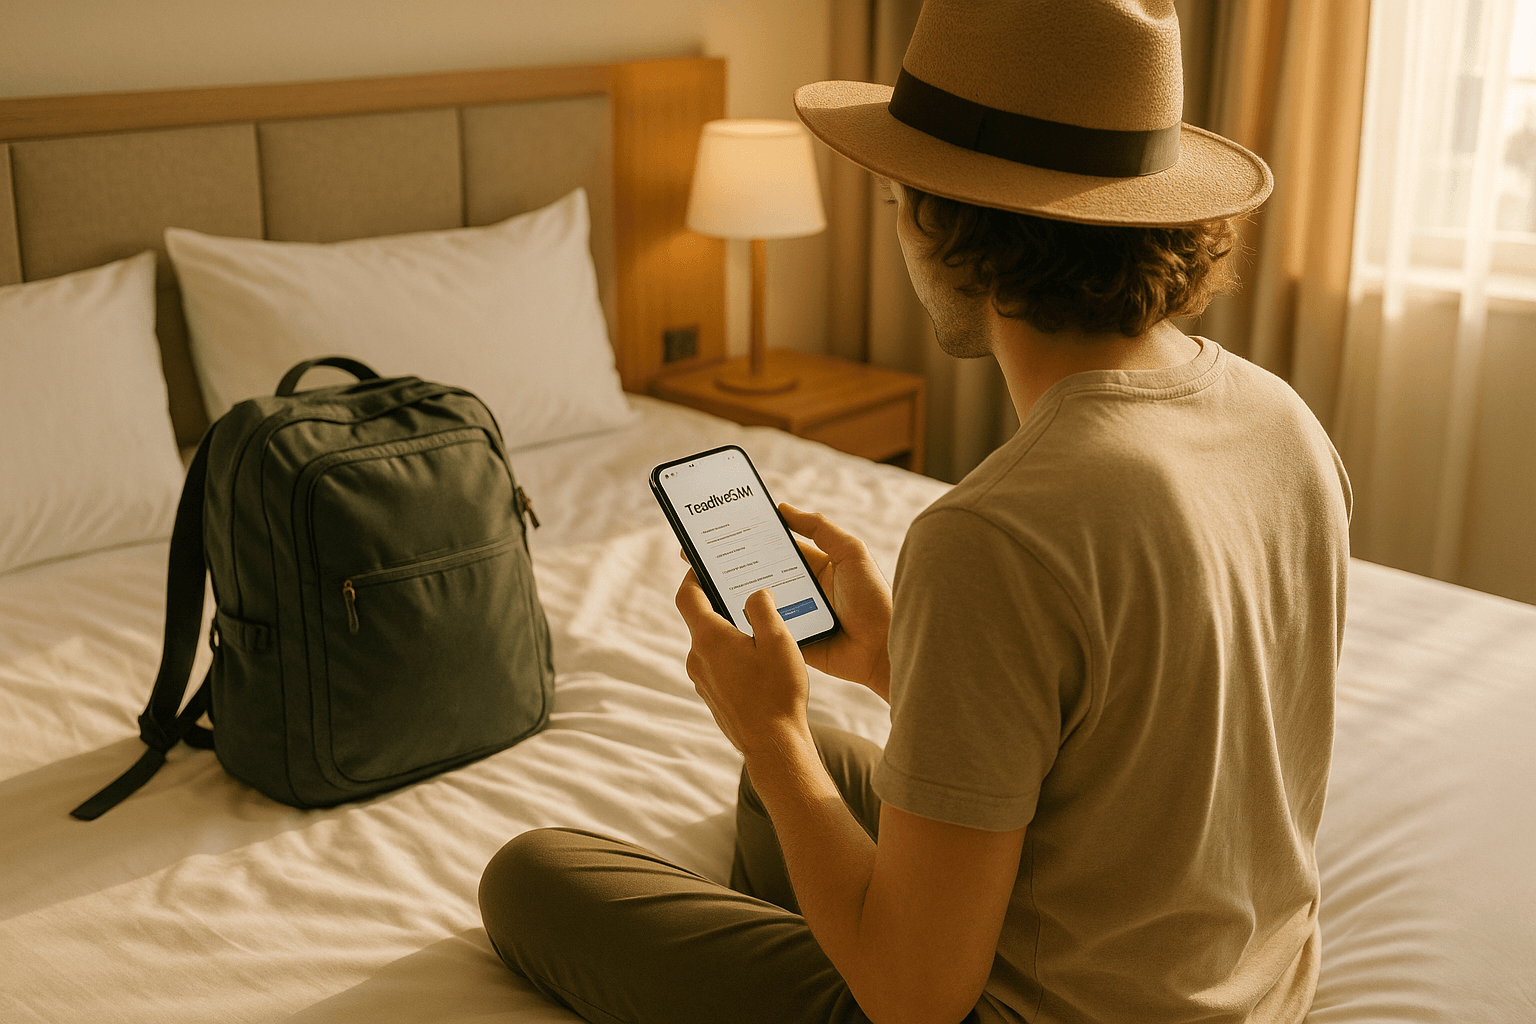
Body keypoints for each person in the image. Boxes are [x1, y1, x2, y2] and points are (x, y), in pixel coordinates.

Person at [478, 1, 1352, 1022]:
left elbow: (914, 999)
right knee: (795, 788)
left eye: (897, 198)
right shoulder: (1281, 419)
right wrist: (902, 661)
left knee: (531, 874)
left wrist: (767, 730)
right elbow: (1145, 723)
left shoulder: (996, 532)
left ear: (949, 225)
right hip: (1255, 993)